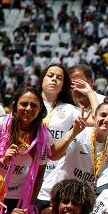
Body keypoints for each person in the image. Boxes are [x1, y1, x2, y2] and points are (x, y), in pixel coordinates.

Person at [36, 98, 108, 214]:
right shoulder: (81, 134)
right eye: (103, 115)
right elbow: (53, 155)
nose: (106, 120)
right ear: (94, 118)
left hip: (79, 202)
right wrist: (73, 132)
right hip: (53, 196)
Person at [0, 87, 51, 214]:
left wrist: (30, 205)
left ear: (40, 109)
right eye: (24, 104)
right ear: (15, 105)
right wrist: (1, 160)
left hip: (19, 198)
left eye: (34, 105)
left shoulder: (45, 136)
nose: (28, 108)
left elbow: (39, 174)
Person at [38, 63, 80, 197]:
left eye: (59, 78)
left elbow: (95, 120)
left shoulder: (69, 109)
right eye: (50, 75)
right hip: (26, 172)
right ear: (42, 79)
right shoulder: (28, 102)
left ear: (63, 86)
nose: (54, 79)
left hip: (53, 175)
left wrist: (90, 92)